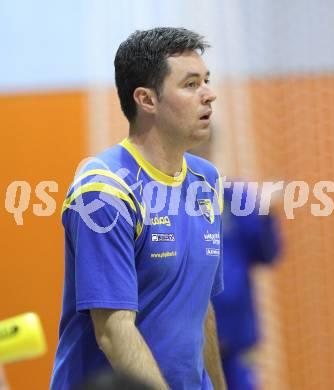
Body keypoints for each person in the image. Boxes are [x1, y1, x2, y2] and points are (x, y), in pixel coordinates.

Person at [51, 27, 226, 390]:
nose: (210, 94)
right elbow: (114, 331)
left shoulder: (206, 181)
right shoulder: (103, 191)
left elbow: (201, 308)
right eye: (191, 84)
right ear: (146, 100)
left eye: (206, 80)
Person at [212, 183, 281, 390]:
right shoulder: (168, 199)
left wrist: (266, 215)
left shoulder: (234, 197)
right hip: (194, 343)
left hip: (238, 339)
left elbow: (267, 254)